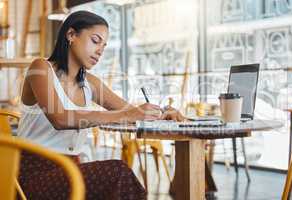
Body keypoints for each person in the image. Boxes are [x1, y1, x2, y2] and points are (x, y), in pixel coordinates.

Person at [17, 11, 184, 200]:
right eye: (95, 41)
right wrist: (127, 115)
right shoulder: (40, 68)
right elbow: (60, 118)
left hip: (71, 171)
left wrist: (162, 114)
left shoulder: (91, 83)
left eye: (103, 47)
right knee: (117, 172)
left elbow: (130, 111)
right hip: (33, 176)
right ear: (71, 35)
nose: (100, 51)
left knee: (117, 178)